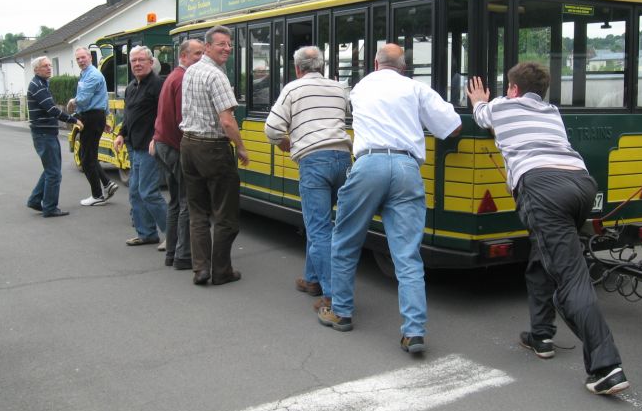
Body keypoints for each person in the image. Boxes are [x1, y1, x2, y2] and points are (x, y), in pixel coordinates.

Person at [466, 62, 630, 396]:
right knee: (544, 257)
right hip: (580, 183)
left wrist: (479, 100)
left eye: (508, 87)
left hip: (543, 188)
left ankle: (606, 367)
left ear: (513, 89)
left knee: (571, 277)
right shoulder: (552, 112)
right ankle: (541, 335)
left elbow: (481, 115)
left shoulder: (503, 106)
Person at [317, 43, 462, 354]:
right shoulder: (415, 88)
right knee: (407, 255)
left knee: (345, 241)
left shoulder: (359, 88)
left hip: (369, 164)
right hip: (407, 167)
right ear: (404, 67)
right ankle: (414, 331)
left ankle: (341, 311)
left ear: (375, 63)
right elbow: (452, 127)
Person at [264, 45, 352, 310]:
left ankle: (333, 296)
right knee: (329, 225)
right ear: (321, 66)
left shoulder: (293, 88)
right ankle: (312, 280)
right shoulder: (339, 88)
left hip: (314, 162)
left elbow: (272, 129)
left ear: (297, 68)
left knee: (318, 227)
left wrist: (286, 143)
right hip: (343, 160)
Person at [180, 25, 249, 285]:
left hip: (188, 145)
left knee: (198, 212)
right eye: (221, 44)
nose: (227, 48)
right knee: (225, 213)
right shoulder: (216, 76)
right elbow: (227, 121)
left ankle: (201, 269)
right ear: (207, 47)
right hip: (213, 148)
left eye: (229, 44)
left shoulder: (190, 71)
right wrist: (240, 147)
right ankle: (221, 271)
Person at [150, 39, 204, 270]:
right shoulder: (183, 79)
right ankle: (183, 256)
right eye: (197, 54)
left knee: (174, 202)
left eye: (202, 53)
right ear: (183, 56)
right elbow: (184, 120)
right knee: (186, 203)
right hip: (175, 147)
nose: (201, 58)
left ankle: (171, 253)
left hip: (163, 145)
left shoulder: (173, 77)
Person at [113, 46, 167, 246]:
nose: (137, 64)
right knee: (135, 192)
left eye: (141, 60)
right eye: (133, 60)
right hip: (134, 148)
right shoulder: (131, 87)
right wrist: (121, 134)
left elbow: (165, 116)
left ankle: (174, 236)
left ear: (151, 62)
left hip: (150, 148)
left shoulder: (158, 85)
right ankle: (147, 233)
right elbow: (129, 116)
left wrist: (157, 137)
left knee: (148, 192)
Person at [26, 56, 82, 218]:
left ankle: (35, 200)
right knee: (54, 173)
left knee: (50, 169)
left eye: (50, 65)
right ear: (36, 69)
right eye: (45, 66)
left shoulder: (42, 83)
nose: (49, 68)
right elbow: (52, 109)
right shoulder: (38, 86)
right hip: (44, 134)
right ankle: (50, 208)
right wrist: (73, 120)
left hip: (46, 133)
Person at [68, 47, 118, 206]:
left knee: (86, 159)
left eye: (83, 57)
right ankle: (107, 184)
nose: (80, 61)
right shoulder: (86, 74)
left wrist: (73, 101)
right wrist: (106, 118)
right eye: (78, 58)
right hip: (94, 117)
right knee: (90, 155)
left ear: (90, 57)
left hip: (91, 117)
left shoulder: (93, 75)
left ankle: (97, 195)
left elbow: (83, 98)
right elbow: (103, 97)